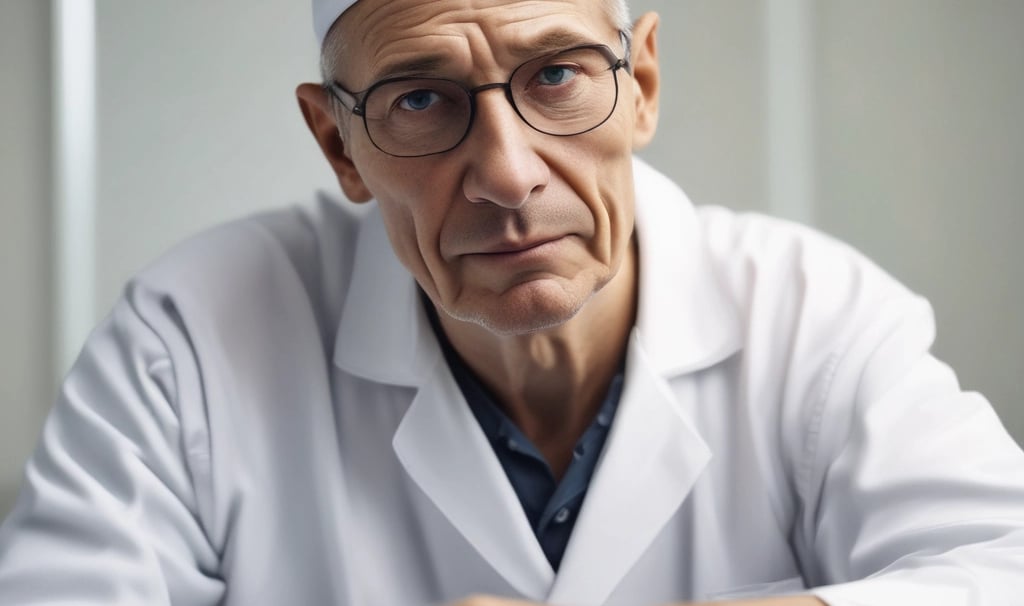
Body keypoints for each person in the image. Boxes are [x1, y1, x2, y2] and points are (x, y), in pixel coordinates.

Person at [2, 0, 1023, 604]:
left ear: (643, 84)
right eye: (418, 98)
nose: (505, 172)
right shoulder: (188, 342)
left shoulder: (814, 316)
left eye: (556, 76)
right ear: (336, 146)